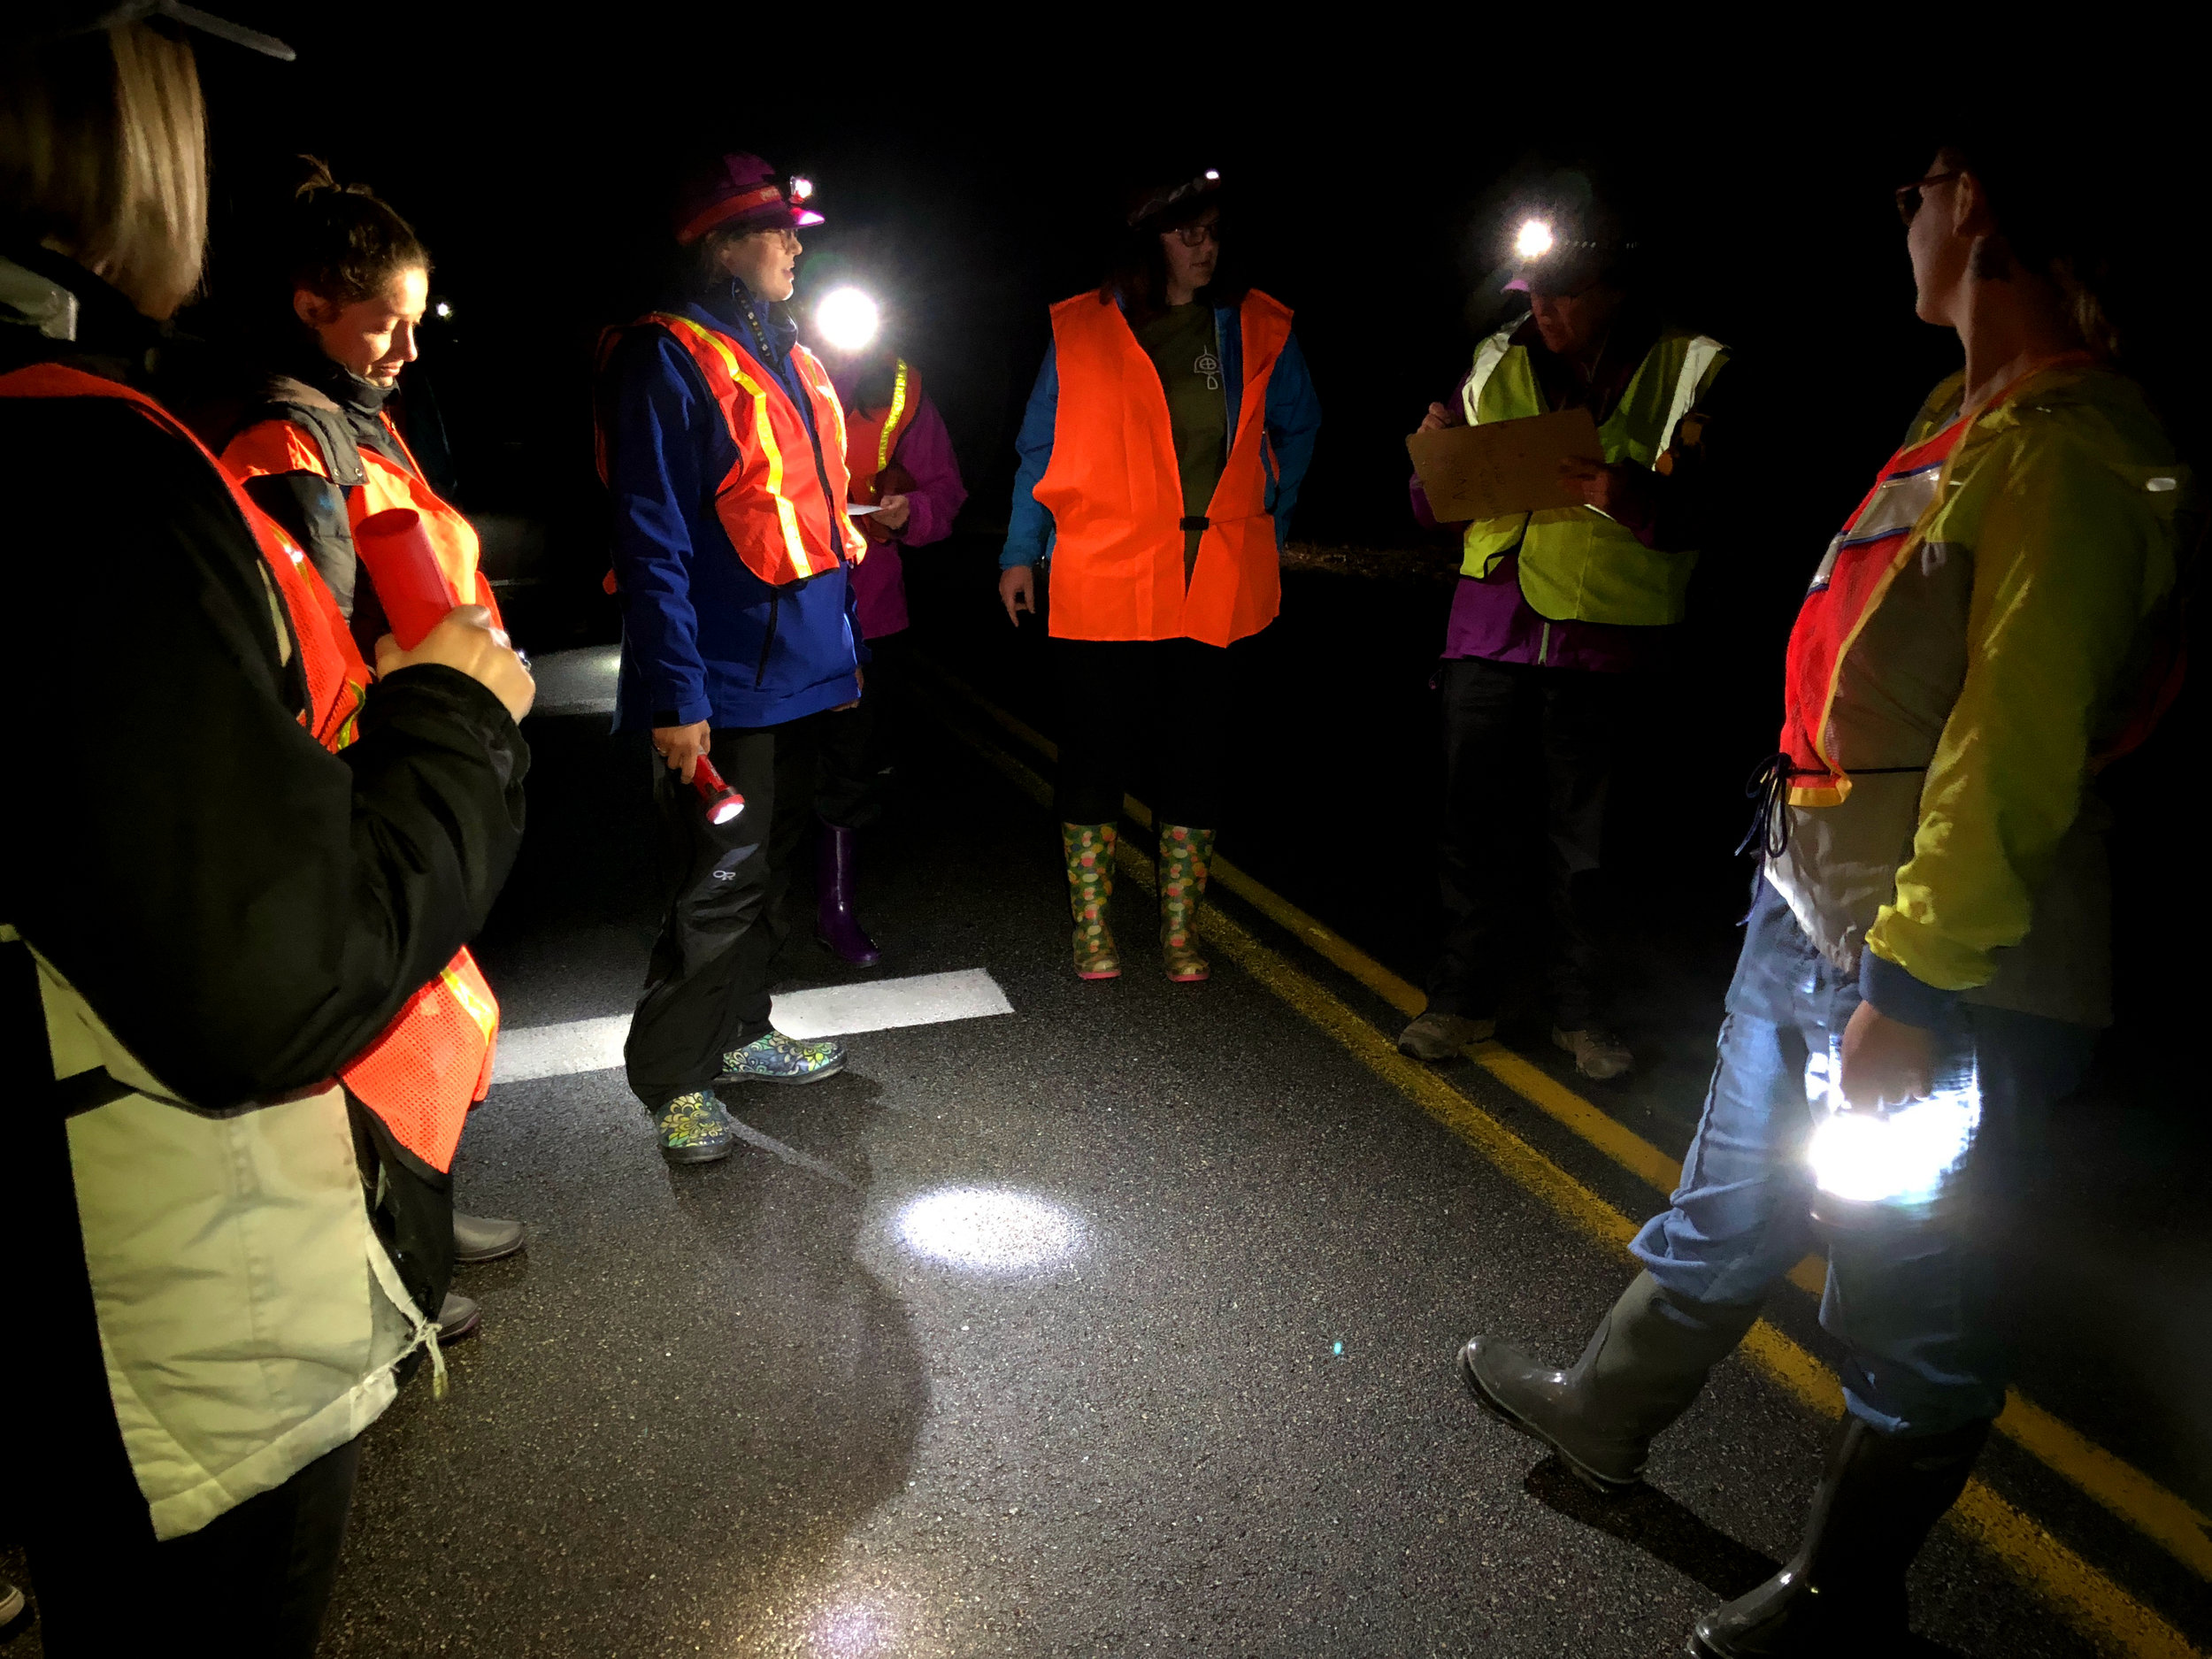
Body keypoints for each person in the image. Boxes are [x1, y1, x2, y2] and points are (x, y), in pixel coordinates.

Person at [1456, 135, 2188, 1655]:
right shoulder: (1961, 422)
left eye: (1916, 192)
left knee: (1908, 1294)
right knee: (1729, 1198)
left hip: (1941, 960)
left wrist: (1911, 995)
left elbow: (2015, 754)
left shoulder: (2076, 451)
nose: (1903, 220)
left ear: (1978, 199)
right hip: (1813, 903)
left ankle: (1847, 1597)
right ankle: (1609, 1409)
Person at [1, 12, 533, 1654]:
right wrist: (456, 719)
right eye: (175, 99)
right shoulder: (100, 467)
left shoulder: (98, 430)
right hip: (163, 1268)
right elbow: (266, 975)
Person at [219, 161, 526, 1330]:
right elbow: (314, 638)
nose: (407, 342)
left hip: (420, 741)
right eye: (385, 320)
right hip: (365, 767)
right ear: (311, 304)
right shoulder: (286, 436)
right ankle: (390, 1265)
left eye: (415, 315)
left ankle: (425, 1210)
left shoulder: (352, 411)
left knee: (428, 1002)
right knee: (375, 1023)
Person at [1395, 194, 1728, 1080]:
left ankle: (1584, 1014)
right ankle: (1462, 1001)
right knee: (1471, 831)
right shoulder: (1496, 357)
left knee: (1591, 853)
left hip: (1603, 641)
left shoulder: (1687, 366)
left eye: (1567, 292)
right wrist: (1431, 458)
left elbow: (1718, 512)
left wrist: (1632, 498)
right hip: (1488, 632)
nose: (1543, 308)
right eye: (1535, 290)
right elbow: (1433, 507)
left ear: (1616, 290)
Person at [595, 153, 862, 1164]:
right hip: (724, 679)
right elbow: (650, 540)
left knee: (768, 869)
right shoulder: (664, 357)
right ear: (721, 247)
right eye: (776, 231)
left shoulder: (785, 346)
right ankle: (672, 1078)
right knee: (719, 880)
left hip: (802, 671)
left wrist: (841, 661)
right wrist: (675, 694)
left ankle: (743, 1032)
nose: (796, 246)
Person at [998, 170, 1320, 982]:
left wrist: (1266, 524)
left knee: (1198, 756)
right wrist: (1018, 551)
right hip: (1103, 576)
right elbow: (1042, 445)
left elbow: (1296, 427)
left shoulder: (1254, 326)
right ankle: (1093, 927)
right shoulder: (1083, 326)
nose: (1205, 247)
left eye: (1213, 230)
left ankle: (1181, 930)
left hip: (1213, 579)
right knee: (1097, 754)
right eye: (1188, 233)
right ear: (1150, 241)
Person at [810, 303, 967, 963]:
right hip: (777, 603)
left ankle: (836, 909)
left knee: (852, 762)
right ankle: (747, 913)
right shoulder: (763, 364)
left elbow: (945, 490)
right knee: (773, 763)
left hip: (869, 606)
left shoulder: (903, 390)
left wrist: (911, 512)